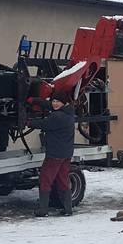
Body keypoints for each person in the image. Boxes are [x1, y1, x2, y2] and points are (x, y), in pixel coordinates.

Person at [29, 89, 75, 217]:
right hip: (66, 153)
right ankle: (68, 209)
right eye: (53, 101)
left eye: (57, 102)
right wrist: (35, 101)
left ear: (63, 103)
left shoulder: (57, 116)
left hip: (55, 154)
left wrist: (28, 122)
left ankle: (43, 210)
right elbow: (49, 105)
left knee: (45, 179)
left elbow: (44, 124)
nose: (54, 104)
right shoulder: (68, 111)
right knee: (63, 180)